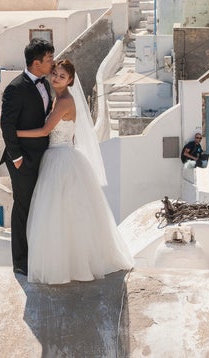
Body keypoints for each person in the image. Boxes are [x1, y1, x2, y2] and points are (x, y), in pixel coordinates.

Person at [16, 59, 133, 284]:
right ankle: (66, 264)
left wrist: (15, 133)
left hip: (61, 158)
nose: (57, 79)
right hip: (58, 156)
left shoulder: (64, 101)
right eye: (55, 74)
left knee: (60, 213)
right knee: (61, 214)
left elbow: (45, 130)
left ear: (70, 80)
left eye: (62, 76)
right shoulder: (57, 99)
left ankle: (70, 266)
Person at [0, 38, 55, 276]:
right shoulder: (15, 88)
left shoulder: (45, 83)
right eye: (49, 59)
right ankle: (21, 262)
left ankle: (39, 254)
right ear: (36, 63)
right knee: (23, 207)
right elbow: (6, 125)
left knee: (39, 206)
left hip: (43, 156)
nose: (52, 63)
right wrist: (17, 157)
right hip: (23, 159)